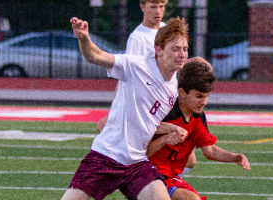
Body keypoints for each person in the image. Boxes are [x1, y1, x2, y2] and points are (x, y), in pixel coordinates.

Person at [62, 16, 190, 200]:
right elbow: (95, 56)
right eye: (175, 49)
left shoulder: (173, 88)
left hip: (136, 163)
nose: (182, 54)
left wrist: (170, 128)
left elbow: (148, 122)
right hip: (106, 155)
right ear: (159, 50)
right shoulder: (136, 65)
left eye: (185, 49)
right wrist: (84, 38)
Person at [96, 0, 197, 175]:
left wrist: (194, 62)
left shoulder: (165, 29)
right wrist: (113, 112)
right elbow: (127, 75)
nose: (158, 11)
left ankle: (159, 182)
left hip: (169, 98)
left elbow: (173, 62)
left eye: (162, 6)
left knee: (188, 159)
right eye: (153, 7)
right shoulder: (138, 38)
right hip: (151, 104)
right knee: (177, 155)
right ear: (142, 7)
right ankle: (154, 183)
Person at [147, 61, 251, 200]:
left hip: (168, 175)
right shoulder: (164, 112)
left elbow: (210, 150)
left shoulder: (198, 115)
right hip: (146, 173)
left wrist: (233, 157)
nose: (204, 102)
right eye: (199, 96)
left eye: (207, 96)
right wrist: (164, 139)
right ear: (182, 92)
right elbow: (138, 154)